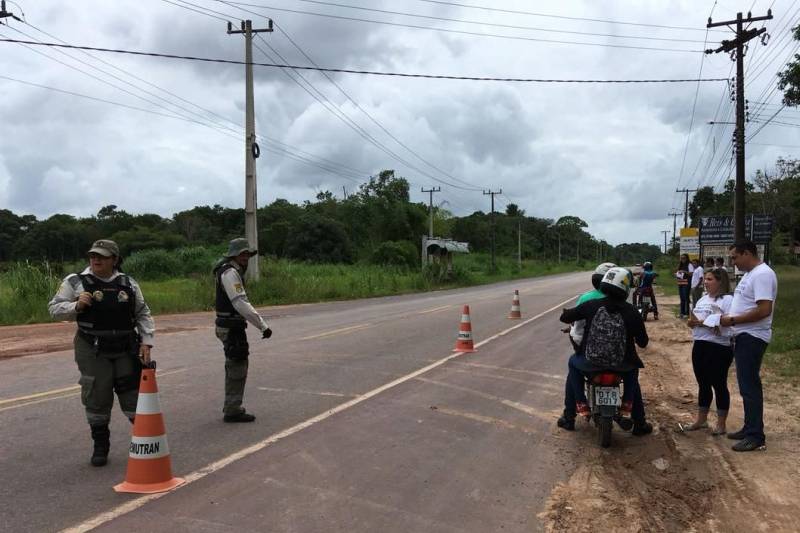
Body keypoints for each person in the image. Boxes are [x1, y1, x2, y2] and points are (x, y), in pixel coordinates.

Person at [48, 239, 155, 467]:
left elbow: (143, 313)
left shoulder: (128, 283)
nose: (96, 260)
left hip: (126, 347)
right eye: (93, 256)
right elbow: (54, 308)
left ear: (114, 259)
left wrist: (147, 341)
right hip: (92, 348)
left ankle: (147, 443)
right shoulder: (75, 281)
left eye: (102, 256)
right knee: (97, 394)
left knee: (132, 393)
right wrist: (75, 306)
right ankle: (100, 445)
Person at [559, 267, 653, 436]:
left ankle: (576, 408)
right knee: (633, 372)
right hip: (622, 364)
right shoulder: (632, 311)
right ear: (626, 288)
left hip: (590, 363)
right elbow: (643, 343)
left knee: (573, 364)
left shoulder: (590, 305)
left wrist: (569, 314)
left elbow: (565, 318)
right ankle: (634, 416)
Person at [720, 240, 777, 452]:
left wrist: (733, 321)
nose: (733, 262)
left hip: (752, 336)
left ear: (747, 253)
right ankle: (750, 427)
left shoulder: (762, 274)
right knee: (745, 386)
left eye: (735, 257)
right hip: (743, 335)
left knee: (750, 386)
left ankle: (755, 436)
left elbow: (764, 310)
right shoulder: (751, 274)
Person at [214, 238, 272, 423]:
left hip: (231, 325)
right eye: (242, 254)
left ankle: (232, 405)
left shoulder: (229, 270)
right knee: (237, 366)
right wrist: (262, 325)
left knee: (236, 364)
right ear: (234, 255)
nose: (246, 257)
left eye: (247, 254)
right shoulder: (230, 273)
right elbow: (240, 302)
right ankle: (232, 409)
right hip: (231, 326)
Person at [558, 262, 616, 430]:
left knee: (573, 367)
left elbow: (576, 328)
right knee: (631, 373)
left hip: (589, 355)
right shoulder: (623, 302)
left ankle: (571, 415)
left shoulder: (587, 299)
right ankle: (638, 419)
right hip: (617, 357)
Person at [681, 267, 734, 435]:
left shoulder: (727, 300)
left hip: (718, 346)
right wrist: (692, 322)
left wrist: (709, 322)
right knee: (703, 383)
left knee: (718, 384)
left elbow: (730, 321)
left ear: (720, 281)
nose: (706, 282)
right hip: (700, 344)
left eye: (710, 279)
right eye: (705, 279)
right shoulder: (703, 299)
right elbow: (693, 319)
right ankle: (701, 420)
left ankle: (721, 424)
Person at [676, 254, 692, 318]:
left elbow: (691, 273)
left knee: (686, 298)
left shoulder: (689, 265)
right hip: (680, 282)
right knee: (682, 298)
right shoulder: (680, 265)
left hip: (686, 282)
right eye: (681, 258)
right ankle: (682, 313)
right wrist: (677, 273)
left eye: (684, 258)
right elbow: (678, 272)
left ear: (687, 258)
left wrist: (684, 271)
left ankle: (687, 313)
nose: (683, 259)